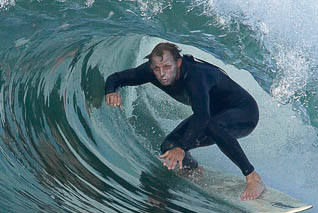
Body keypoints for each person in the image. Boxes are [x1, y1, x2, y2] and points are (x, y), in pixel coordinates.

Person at [103, 42, 266, 200]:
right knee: (168, 147)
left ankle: (253, 177)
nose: (162, 74)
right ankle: (193, 169)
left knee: (209, 127)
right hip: (212, 114)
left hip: (244, 113)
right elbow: (116, 78)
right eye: (156, 69)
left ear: (178, 63)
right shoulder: (152, 72)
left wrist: (183, 147)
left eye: (167, 67)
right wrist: (111, 91)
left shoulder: (195, 76)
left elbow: (202, 117)